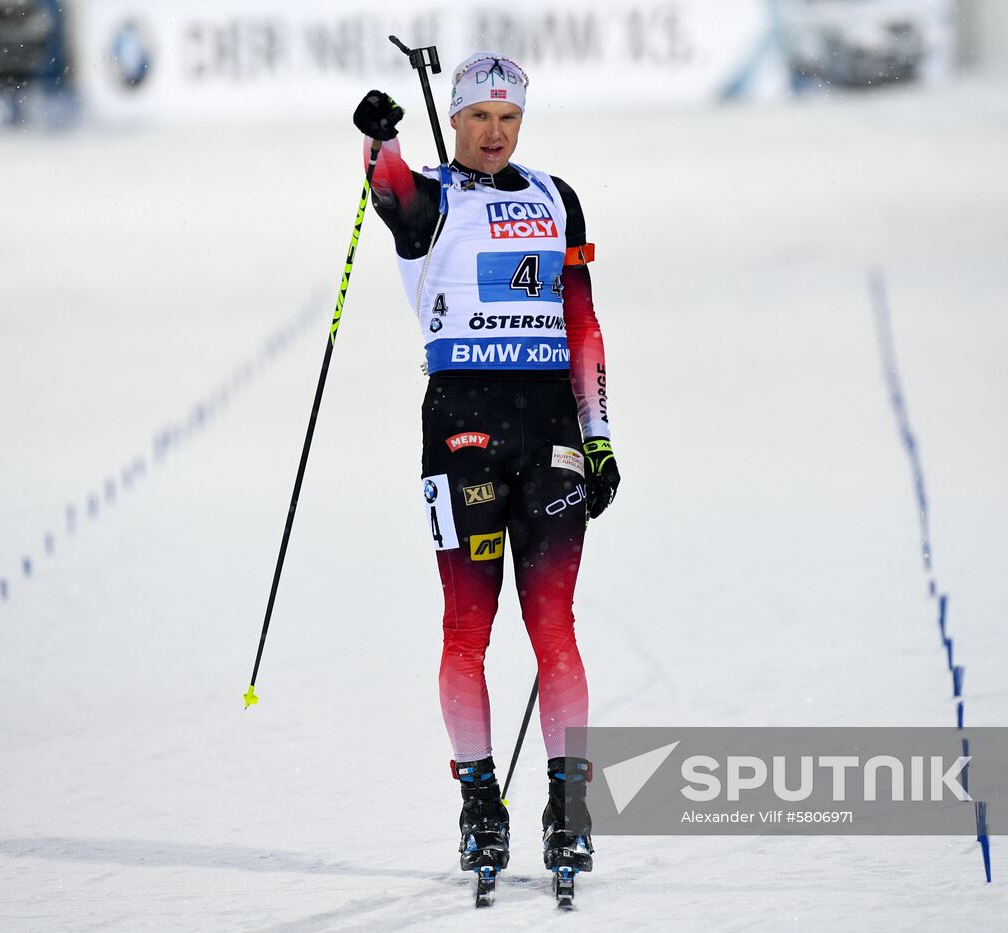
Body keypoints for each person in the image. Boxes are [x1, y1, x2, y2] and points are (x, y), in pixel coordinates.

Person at [352, 52, 621, 881]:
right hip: (461, 427)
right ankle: (478, 803)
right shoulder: (428, 197)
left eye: (509, 118)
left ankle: (567, 804)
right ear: (458, 119)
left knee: (556, 630)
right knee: (466, 628)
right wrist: (379, 138)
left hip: (548, 430)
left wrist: (600, 432)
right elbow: (390, 188)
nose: (495, 132)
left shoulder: (555, 195)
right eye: (479, 117)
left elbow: (582, 321)